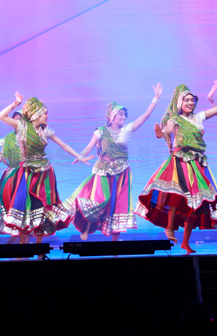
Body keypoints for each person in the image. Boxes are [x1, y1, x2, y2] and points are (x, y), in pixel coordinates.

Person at [135, 81, 217, 254]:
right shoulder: (176, 119)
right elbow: (168, 128)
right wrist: (161, 133)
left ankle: (185, 243)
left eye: (192, 100)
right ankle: (169, 227)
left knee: (195, 203)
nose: (190, 102)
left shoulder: (199, 117)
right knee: (178, 193)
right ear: (180, 103)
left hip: (197, 163)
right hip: (180, 160)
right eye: (186, 100)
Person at [66, 85, 162, 240]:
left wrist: (156, 98)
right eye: (120, 114)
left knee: (118, 205)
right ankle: (86, 228)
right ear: (112, 116)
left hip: (122, 172)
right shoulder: (100, 131)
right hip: (103, 171)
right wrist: (81, 156)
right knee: (100, 199)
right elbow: (89, 147)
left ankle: (115, 243)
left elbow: (145, 115)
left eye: (125, 115)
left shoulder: (127, 130)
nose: (123, 117)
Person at [0, 92, 92, 242]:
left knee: (43, 207)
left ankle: (39, 245)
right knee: (25, 206)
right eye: (45, 113)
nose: (47, 116)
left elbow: (64, 145)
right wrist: (15, 104)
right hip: (27, 173)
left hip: (45, 174)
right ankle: (22, 242)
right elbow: (0, 116)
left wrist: (79, 157)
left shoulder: (45, 131)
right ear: (37, 114)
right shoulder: (22, 126)